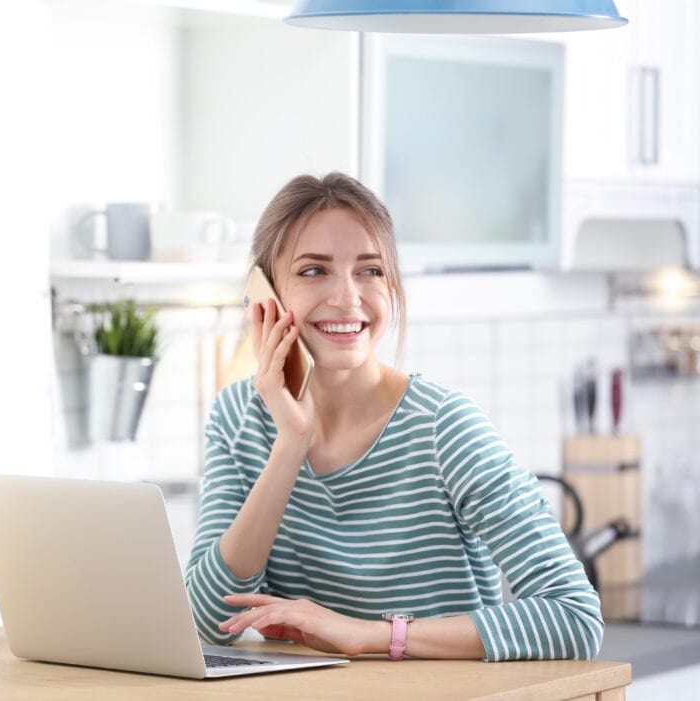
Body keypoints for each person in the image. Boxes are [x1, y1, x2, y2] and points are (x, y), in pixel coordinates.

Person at [184, 172, 603, 661]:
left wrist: (370, 635)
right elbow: (207, 622)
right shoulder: (237, 419)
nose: (347, 297)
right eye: (314, 271)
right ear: (265, 297)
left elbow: (575, 617)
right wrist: (290, 445)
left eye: (370, 270)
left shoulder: (445, 427)